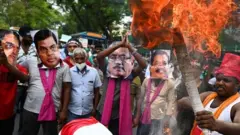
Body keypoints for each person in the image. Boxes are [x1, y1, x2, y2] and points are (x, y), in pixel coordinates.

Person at [17, 29, 72, 135]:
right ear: (37, 50)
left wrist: (64, 110)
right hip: (30, 109)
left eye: (52, 47)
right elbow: (19, 69)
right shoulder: (30, 61)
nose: (49, 53)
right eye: (43, 49)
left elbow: (67, 88)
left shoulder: (64, 67)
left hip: (53, 109)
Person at [178, 53, 240, 135]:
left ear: (237, 83)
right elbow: (183, 101)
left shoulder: (237, 104)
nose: (220, 83)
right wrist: (197, 107)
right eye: (218, 79)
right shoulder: (208, 95)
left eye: (226, 80)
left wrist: (216, 124)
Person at [96, 36, 147, 135]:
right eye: (114, 57)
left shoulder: (129, 73)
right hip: (102, 112)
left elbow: (143, 64)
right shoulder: (107, 69)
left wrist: (129, 48)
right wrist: (118, 45)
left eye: (123, 57)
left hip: (119, 115)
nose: (118, 61)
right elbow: (99, 57)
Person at [135, 50, 176, 135]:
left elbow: (171, 102)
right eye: (156, 63)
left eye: (164, 63)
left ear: (168, 66)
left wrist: (166, 122)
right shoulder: (146, 81)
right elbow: (140, 99)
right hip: (144, 118)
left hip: (159, 120)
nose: (160, 66)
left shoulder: (170, 84)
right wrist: (137, 116)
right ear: (151, 66)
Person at [0, 29, 28, 135]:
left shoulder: (16, 67)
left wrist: (7, 64)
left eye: (17, 47)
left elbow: (25, 78)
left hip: (8, 115)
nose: (14, 50)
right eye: (9, 45)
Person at [68, 48, 102, 122]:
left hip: (89, 112)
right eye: (77, 59)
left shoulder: (94, 72)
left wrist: (94, 108)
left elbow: (97, 92)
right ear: (74, 59)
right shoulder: (69, 72)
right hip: (73, 111)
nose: (79, 61)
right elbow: (66, 91)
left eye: (82, 58)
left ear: (86, 58)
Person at [15, 25, 37, 134]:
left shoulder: (35, 50)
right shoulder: (15, 48)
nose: (30, 38)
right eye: (27, 36)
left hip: (29, 86)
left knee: (25, 114)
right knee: (12, 111)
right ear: (21, 36)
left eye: (31, 36)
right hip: (16, 85)